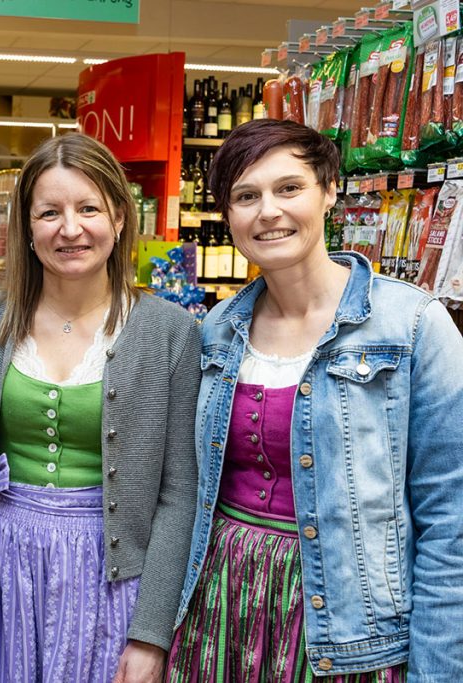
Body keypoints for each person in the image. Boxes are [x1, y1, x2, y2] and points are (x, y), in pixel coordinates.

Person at [168, 119, 463, 681]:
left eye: (289, 188)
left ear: (329, 191)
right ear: (227, 216)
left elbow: (452, 525)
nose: (268, 212)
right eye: (246, 196)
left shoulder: (413, 326)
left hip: (349, 629)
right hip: (218, 611)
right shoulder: (215, 334)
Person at [0, 133, 201, 683]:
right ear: (27, 226)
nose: (69, 229)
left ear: (118, 217)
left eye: (88, 208)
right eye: (49, 212)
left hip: (113, 576)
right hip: (3, 564)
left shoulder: (171, 331)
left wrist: (152, 633)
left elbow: (178, 492)